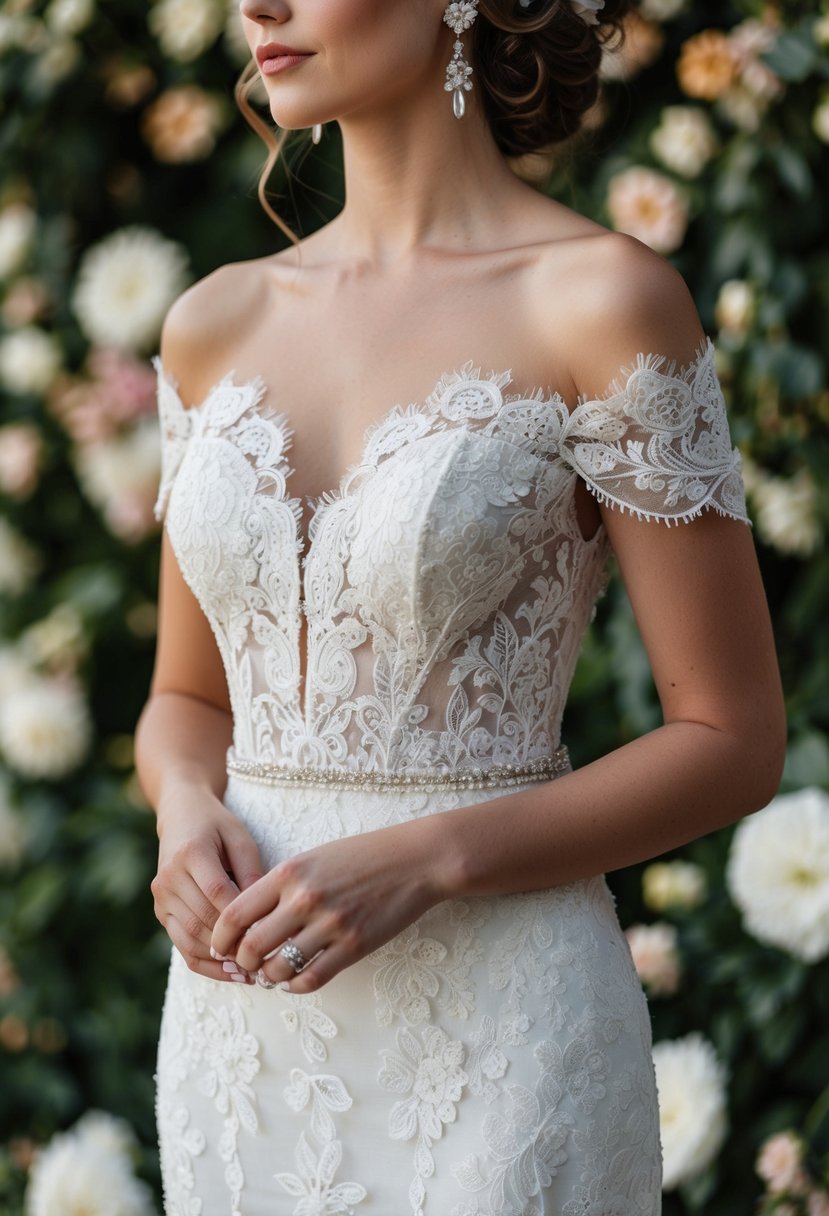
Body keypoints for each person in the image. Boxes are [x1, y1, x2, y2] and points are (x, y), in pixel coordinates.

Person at [134, 0, 787, 1212]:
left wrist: (431, 856)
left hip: (500, 1031)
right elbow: (185, 697)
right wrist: (183, 809)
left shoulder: (601, 301)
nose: (258, 4)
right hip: (245, 1042)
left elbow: (733, 739)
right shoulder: (214, 323)